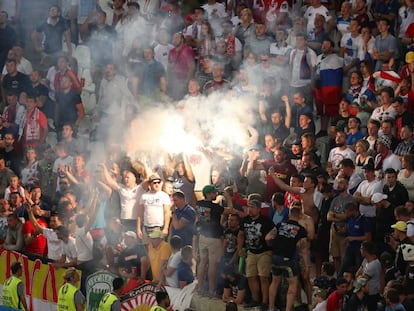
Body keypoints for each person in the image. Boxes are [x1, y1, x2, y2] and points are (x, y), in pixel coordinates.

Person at [265, 205, 308, 311]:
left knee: (275, 282)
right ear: (300, 216)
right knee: (292, 285)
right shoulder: (301, 230)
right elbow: (303, 249)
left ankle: (271, 308)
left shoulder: (280, 225)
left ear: (289, 214)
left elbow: (268, 237)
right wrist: (306, 266)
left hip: (275, 257)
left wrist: (272, 245)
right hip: (288, 259)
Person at [237, 199, 274, 309]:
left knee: (263, 277)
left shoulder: (266, 221)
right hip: (251, 252)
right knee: (251, 276)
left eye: (252, 207)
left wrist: (270, 243)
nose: (250, 210)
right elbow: (241, 234)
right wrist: (240, 248)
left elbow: (273, 233)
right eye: (249, 207)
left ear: (258, 209)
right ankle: (255, 299)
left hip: (264, 252)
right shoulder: (245, 220)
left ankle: (265, 301)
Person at [195, 184, 224, 296]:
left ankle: (200, 288)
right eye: (213, 192)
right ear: (208, 194)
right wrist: (229, 198)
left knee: (202, 262)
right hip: (214, 237)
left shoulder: (199, 204)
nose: (215, 194)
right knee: (212, 264)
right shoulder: (215, 208)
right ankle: (212, 290)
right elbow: (230, 210)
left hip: (203, 236)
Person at [356, 241, 382, 311]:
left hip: (372, 294)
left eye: (361, 248)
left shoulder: (373, 265)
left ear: (365, 251)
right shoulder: (365, 260)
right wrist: (359, 277)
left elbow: (360, 282)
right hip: (366, 293)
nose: (360, 250)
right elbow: (357, 274)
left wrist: (360, 277)